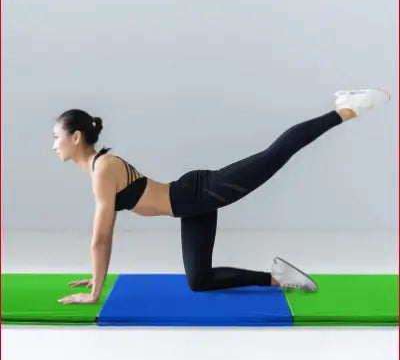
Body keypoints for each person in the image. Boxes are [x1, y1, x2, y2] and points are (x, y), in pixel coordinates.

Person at [55, 88, 391, 304]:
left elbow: (101, 238)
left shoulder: (104, 168)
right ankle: (280, 277)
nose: (54, 144)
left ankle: (348, 109)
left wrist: (95, 291)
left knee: (275, 154)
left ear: (76, 137)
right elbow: (101, 238)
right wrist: (96, 276)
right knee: (199, 281)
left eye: (57, 137)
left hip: (199, 192)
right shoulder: (100, 168)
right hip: (191, 204)